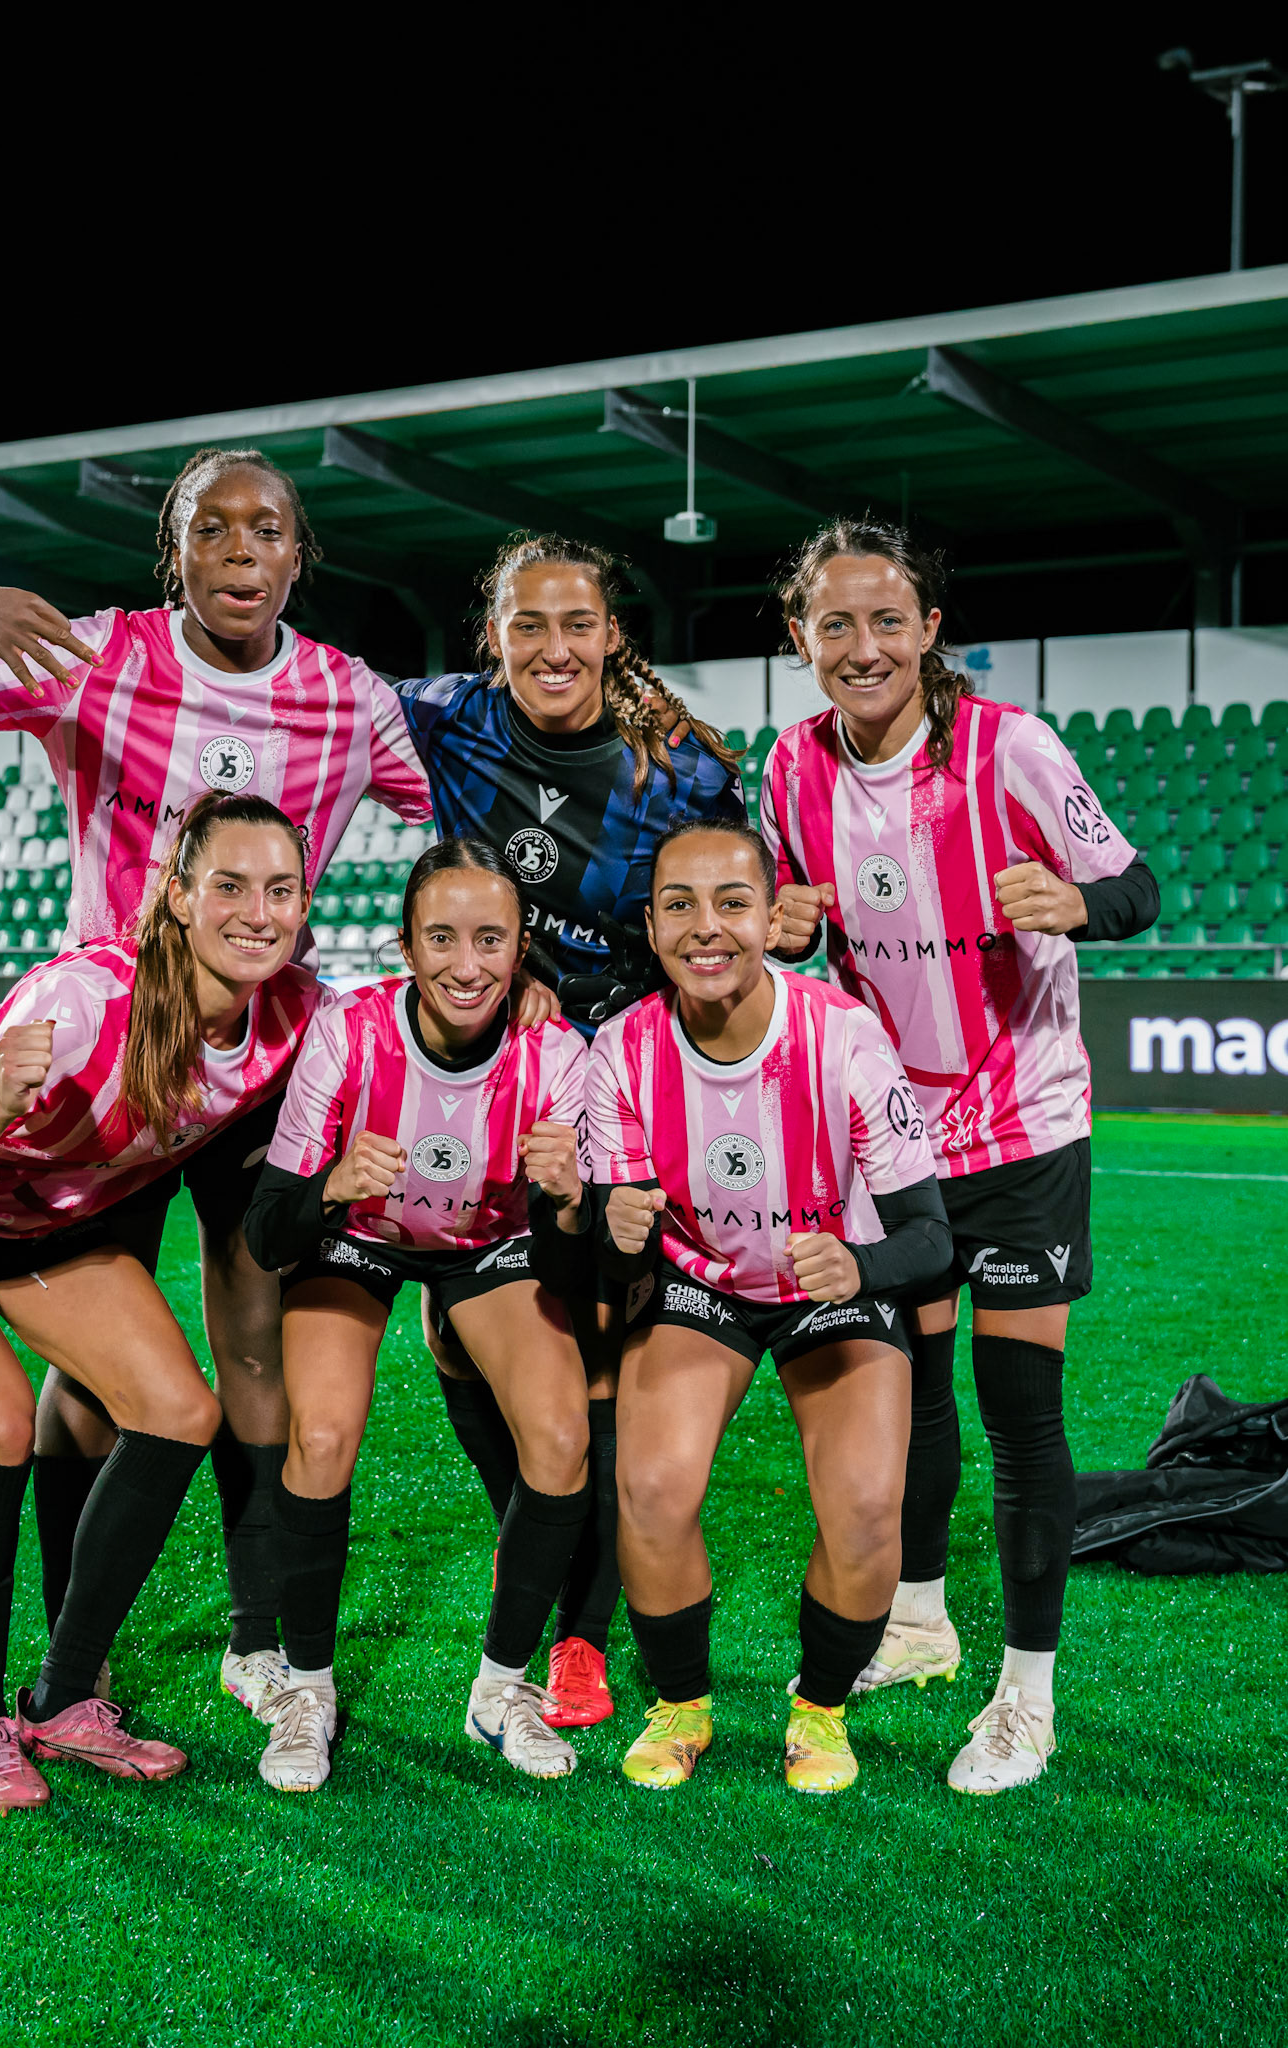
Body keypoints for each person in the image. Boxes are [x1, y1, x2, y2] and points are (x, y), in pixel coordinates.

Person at [0, 449, 435, 1719]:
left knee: (252, 1346)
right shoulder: (98, 654)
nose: (242, 549)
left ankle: (258, 1635)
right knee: (89, 1381)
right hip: (116, 1066)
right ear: (171, 552)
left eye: (268, 529)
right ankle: (83, 1644)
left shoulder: (351, 697)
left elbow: (462, 809)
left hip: (255, 1067)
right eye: (211, 528)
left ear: (301, 555)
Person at [0, 795, 326, 1810]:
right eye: (229, 884)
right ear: (177, 894)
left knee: (179, 1411)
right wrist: (0, 1100)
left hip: (35, 1217)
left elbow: (405, 1017)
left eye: (281, 888)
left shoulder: (296, 1008)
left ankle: (60, 1697)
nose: (257, 911)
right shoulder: (86, 1000)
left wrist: (522, 996)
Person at [761, 518, 1161, 1794]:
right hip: (898, 1141)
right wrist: (781, 923)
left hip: (1027, 1124)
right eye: (836, 624)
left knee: (1021, 1413)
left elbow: (1139, 887)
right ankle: (921, 1620)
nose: (863, 646)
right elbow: (791, 924)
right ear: (801, 638)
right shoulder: (787, 771)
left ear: (932, 630)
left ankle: (1026, 1696)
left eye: (889, 620)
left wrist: (1077, 903)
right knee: (918, 1391)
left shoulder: (1013, 748)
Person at [391, 532, 748, 1727]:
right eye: (527, 624)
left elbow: (745, 905)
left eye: (577, 623)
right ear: (493, 633)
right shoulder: (444, 718)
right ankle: (529, 1545)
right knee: (457, 1337)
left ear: (610, 633)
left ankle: (580, 1636)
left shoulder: (683, 770)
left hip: (630, 1089)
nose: (554, 647)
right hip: (504, 1067)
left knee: (598, 1347)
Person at [589, 817, 951, 1795]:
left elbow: (930, 1237)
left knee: (871, 1505)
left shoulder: (844, 1036)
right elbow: (600, 1223)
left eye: (733, 901)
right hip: (704, 1285)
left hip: (828, 1291)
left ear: (770, 911)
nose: (708, 927)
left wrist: (860, 1269)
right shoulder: (622, 1049)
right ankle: (681, 1703)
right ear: (653, 925)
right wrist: (607, 1220)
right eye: (680, 905)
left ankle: (820, 1708)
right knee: (654, 1487)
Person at [242, 839, 596, 1792]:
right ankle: (307, 1688)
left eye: (490, 939)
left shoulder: (558, 1054)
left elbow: (577, 1258)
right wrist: (327, 1187)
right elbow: (266, 1232)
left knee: (562, 1435)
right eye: (441, 937)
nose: (467, 964)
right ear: (405, 946)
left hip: (488, 1245)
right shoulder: (350, 1031)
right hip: (358, 1239)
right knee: (318, 1434)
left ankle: (503, 1688)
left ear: (522, 950)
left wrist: (569, 1202)